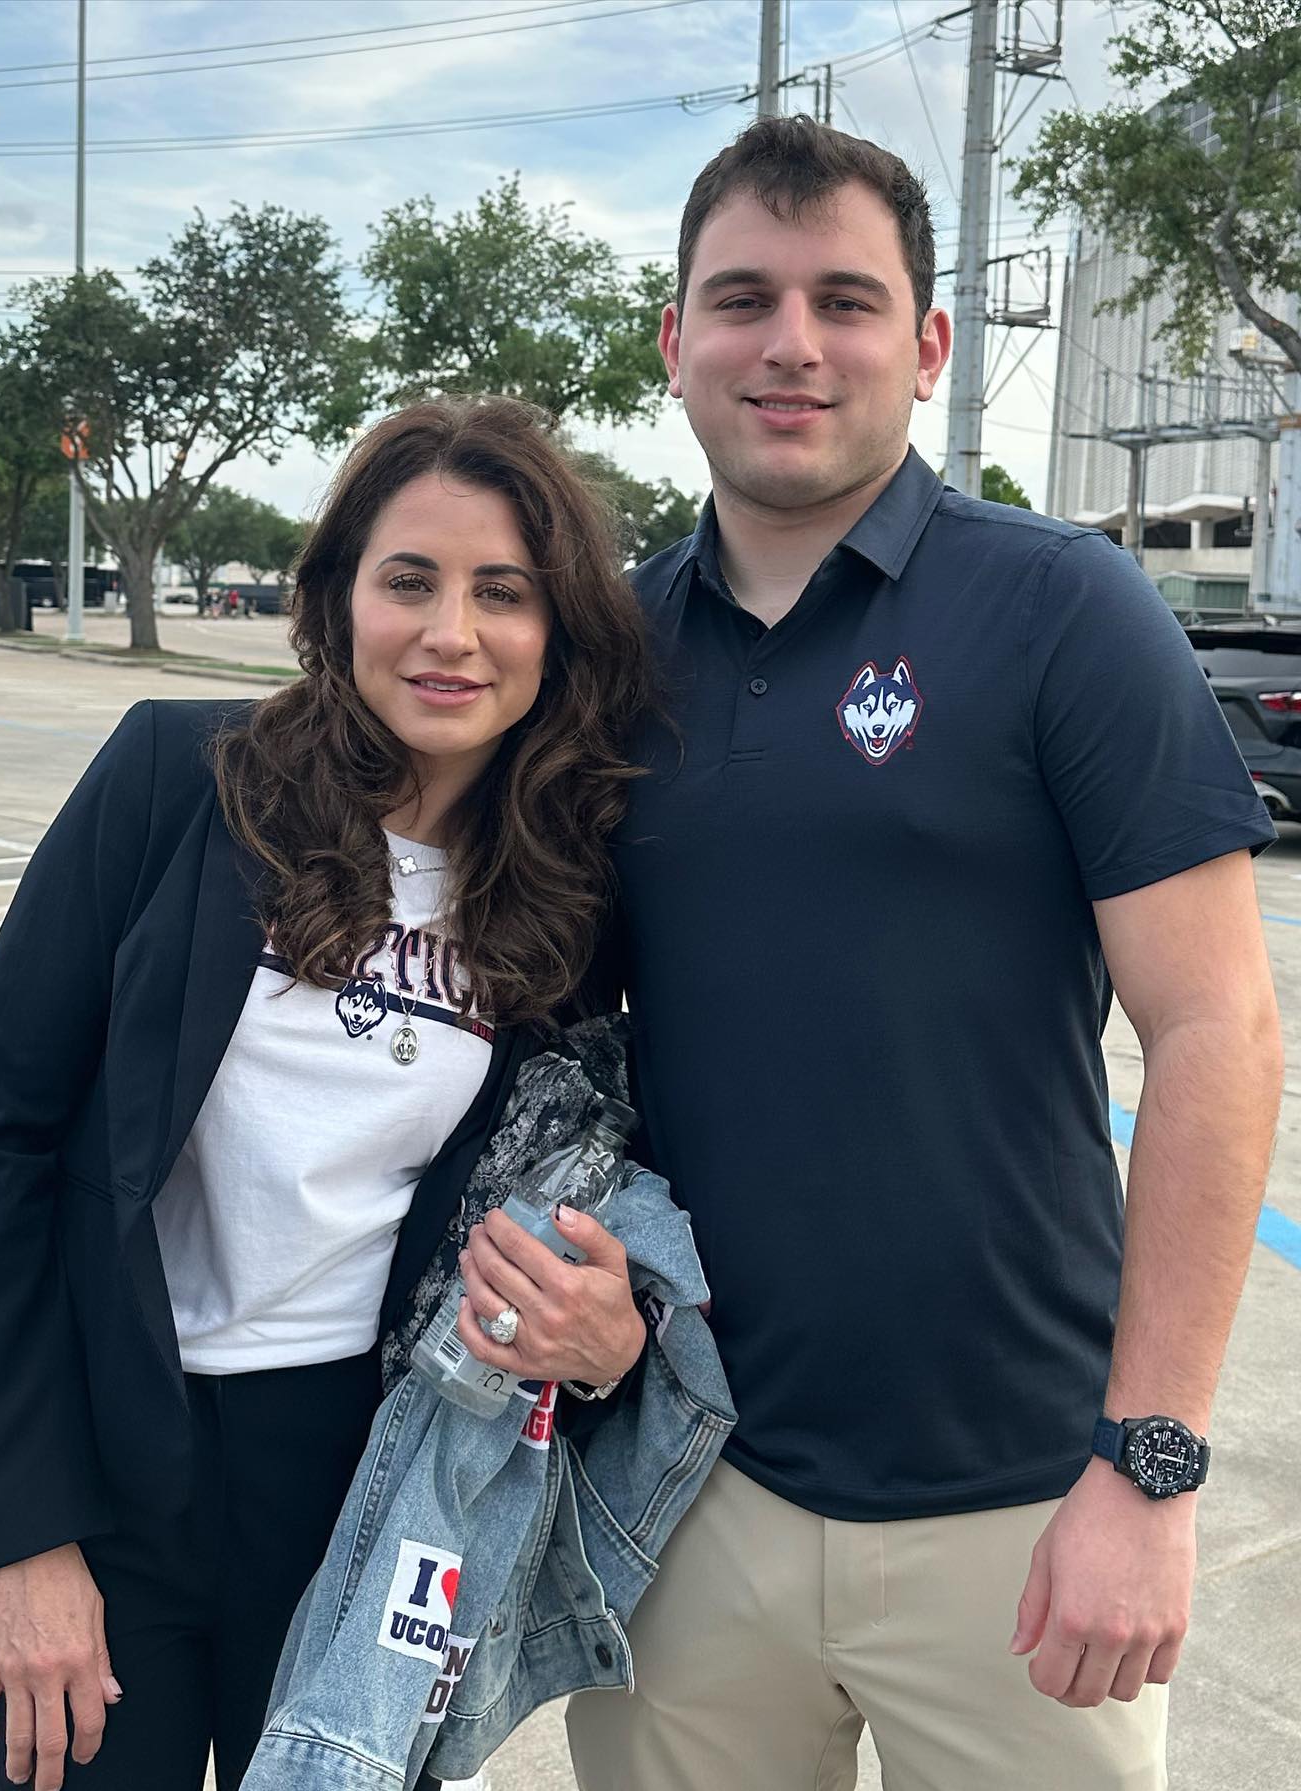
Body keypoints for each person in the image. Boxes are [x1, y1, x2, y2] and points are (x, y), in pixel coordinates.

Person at [556, 116, 1282, 1791]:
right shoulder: (603, 652)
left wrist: (1149, 1468)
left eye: (846, 301)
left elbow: (1217, 1032)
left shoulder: (1062, 611)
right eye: (740, 299)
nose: (791, 344)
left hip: (1024, 1509)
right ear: (675, 344)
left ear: (929, 343)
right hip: (684, 1489)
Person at [0, 396, 654, 1791]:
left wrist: (608, 1337)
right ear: (339, 599)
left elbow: (603, 1186)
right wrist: (20, 1536)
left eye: (504, 592)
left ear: (557, 632)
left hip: (357, 1485)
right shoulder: (173, 787)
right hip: (99, 1454)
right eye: (410, 581)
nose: (452, 633)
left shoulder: (569, 902)